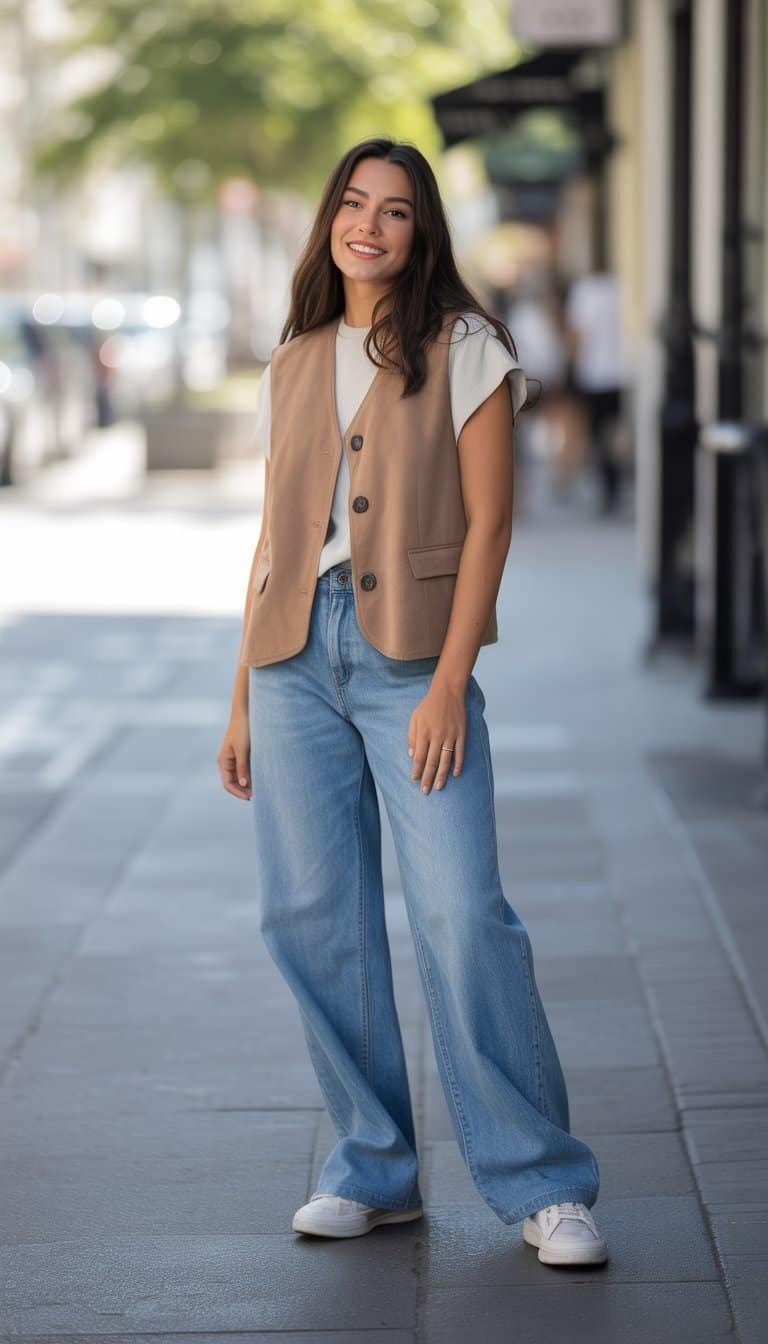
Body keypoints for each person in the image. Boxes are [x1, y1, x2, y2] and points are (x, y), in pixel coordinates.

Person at [217, 138, 609, 1268]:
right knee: (310, 919)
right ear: (329, 220)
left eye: (394, 210)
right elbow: (273, 541)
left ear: (421, 230)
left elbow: (492, 521)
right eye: (353, 204)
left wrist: (448, 683)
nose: (370, 226)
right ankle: (373, 1167)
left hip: (407, 668)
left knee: (460, 913)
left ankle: (543, 1182)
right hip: (293, 659)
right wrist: (240, 697)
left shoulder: (465, 346)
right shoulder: (292, 360)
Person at [563, 269, 626, 514]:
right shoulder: (620, 288)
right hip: (619, 373)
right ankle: (615, 484)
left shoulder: (584, 291)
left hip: (594, 375)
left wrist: (569, 366)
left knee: (599, 435)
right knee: (614, 433)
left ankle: (609, 488)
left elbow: (577, 335)